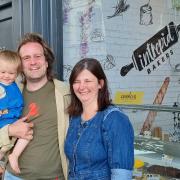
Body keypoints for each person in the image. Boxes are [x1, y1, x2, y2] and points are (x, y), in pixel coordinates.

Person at [4, 33, 70, 180]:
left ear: (47, 61)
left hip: (54, 177)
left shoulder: (66, 93)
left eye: (37, 56)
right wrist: (9, 130)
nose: (33, 62)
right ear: (20, 66)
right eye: (26, 58)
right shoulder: (8, 95)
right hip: (13, 176)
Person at [64, 58, 134, 180]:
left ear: (100, 84)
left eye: (88, 81)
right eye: (76, 81)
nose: (81, 87)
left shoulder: (115, 120)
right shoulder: (74, 118)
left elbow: (122, 175)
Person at [0, 50, 24, 174]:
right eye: (2, 72)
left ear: (17, 73)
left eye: (11, 73)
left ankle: (13, 156)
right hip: (3, 120)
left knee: (27, 133)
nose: (6, 76)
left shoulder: (14, 85)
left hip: (13, 118)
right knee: (7, 141)